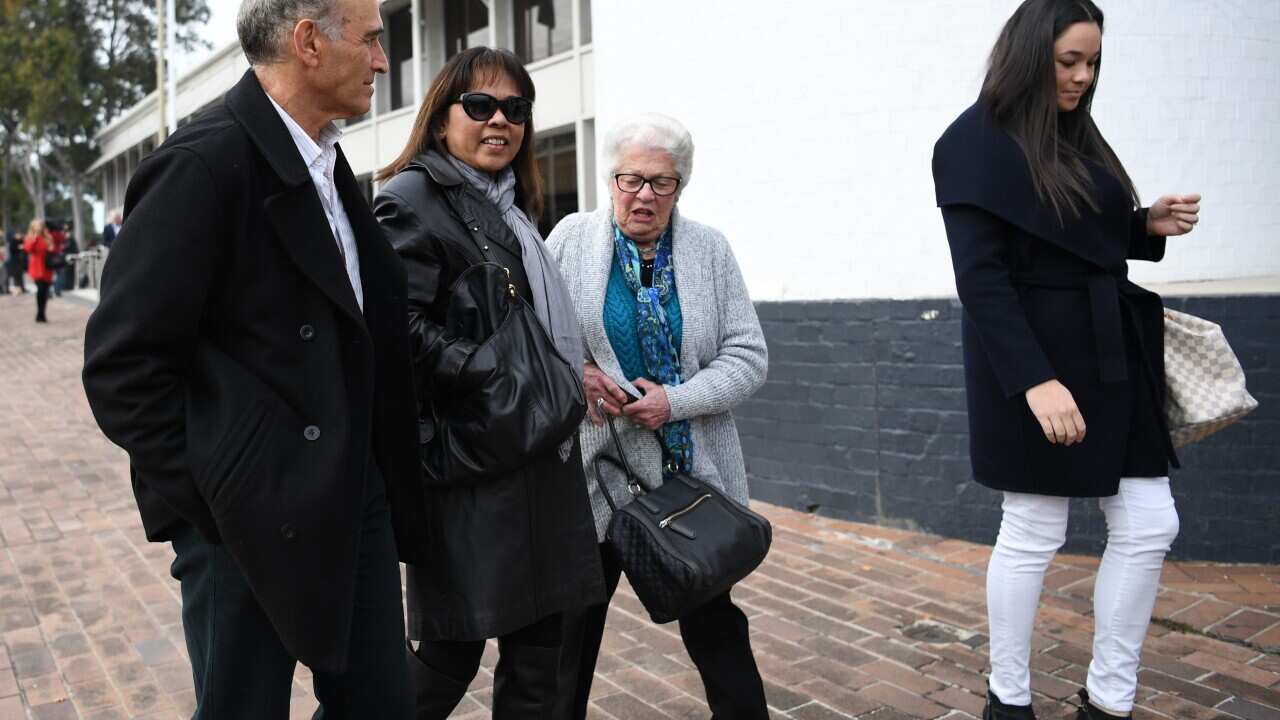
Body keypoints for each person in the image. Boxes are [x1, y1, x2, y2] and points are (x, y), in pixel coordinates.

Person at [81, 0, 427, 717]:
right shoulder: (202, 163)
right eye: (369, 41)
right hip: (243, 520)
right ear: (307, 42)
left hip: (351, 499)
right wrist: (218, 491)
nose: (382, 62)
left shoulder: (327, 161)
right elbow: (122, 368)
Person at [931, 1, 1201, 718]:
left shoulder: (1073, 131)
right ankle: (1008, 699)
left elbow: (1078, 225)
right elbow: (982, 280)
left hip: (1112, 350)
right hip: (1030, 361)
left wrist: (1145, 226)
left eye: (1092, 62)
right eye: (1068, 61)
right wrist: (1036, 382)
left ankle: (1109, 702)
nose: (1082, 77)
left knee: (1149, 523)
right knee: (1035, 527)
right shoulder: (971, 143)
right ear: (1029, 54)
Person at [373, 46, 604, 719]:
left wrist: (566, 373)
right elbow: (393, 330)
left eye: (516, 109)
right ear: (442, 118)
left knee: (541, 651)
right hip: (475, 465)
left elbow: (522, 318)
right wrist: (489, 373)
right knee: (450, 652)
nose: (499, 120)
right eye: (480, 105)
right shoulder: (413, 199)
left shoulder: (508, 206)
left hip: (540, 456)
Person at [547, 114, 771, 720]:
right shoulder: (570, 240)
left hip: (690, 481)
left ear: (680, 187)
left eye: (661, 183)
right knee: (569, 640)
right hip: (600, 479)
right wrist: (580, 375)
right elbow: (535, 341)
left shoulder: (709, 251)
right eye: (631, 179)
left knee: (717, 630)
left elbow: (748, 358)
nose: (644, 195)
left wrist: (675, 400)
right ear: (610, 179)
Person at [22, 219, 54, 323]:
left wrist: (50, 247)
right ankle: (39, 313)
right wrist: (35, 238)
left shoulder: (47, 237)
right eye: (36, 225)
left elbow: (52, 249)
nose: (38, 227)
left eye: (40, 225)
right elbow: (28, 249)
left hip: (47, 267)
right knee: (40, 289)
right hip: (36, 267)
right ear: (32, 227)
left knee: (45, 291)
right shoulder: (30, 238)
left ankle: (42, 313)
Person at [6, 230, 26, 294]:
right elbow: (13, 249)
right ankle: (18, 289)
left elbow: (25, 248)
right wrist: (19, 248)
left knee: (20, 275)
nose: (19, 236)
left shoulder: (21, 241)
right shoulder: (13, 241)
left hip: (20, 261)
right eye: (18, 235)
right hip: (14, 262)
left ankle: (22, 288)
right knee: (16, 275)